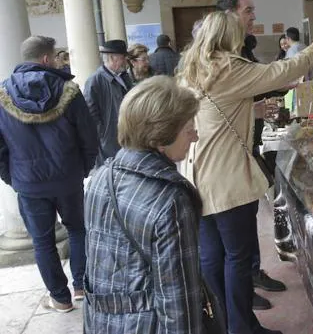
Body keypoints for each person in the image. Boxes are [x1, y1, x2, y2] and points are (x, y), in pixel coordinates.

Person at [178, 11, 313, 334]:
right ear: (230, 36)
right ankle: (241, 327)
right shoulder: (229, 66)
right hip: (227, 178)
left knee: (212, 257)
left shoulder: (192, 70)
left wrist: (249, 110)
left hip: (196, 175)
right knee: (237, 258)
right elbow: (279, 71)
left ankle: (228, 324)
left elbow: (210, 112)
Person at [83, 76, 206, 333]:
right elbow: (178, 300)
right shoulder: (171, 201)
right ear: (161, 139)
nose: (195, 137)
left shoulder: (100, 178)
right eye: (188, 129)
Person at [0, 35, 98, 312]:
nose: (57, 60)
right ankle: (81, 286)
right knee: (78, 230)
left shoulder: (3, 95)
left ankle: (60, 298)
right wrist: (83, 169)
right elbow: (89, 137)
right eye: (55, 56)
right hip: (68, 178)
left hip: (29, 184)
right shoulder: (68, 90)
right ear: (45, 59)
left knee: (43, 242)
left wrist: (13, 177)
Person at [215, 0, 287, 311]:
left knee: (246, 225)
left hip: (246, 143)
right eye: (248, 11)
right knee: (234, 242)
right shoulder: (224, 57)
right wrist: (280, 82)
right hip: (229, 157)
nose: (254, 17)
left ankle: (250, 278)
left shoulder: (242, 48)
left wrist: (261, 103)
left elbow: (247, 93)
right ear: (230, 14)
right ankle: (241, 298)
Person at [84, 39, 135, 168]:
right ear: (112, 58)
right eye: (123, 57)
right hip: (109, 140)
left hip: (126, 133)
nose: (125, 61)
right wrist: (103, 135)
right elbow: (90, 112)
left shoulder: (124, 76)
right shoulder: (95, 80)